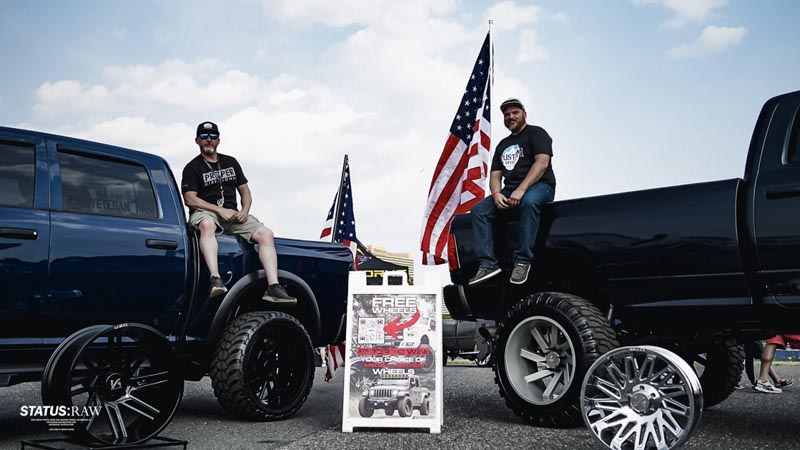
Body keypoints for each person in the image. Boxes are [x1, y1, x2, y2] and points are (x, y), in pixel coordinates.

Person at [181, 121, 295, 303]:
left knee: (266, 233)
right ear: (197, 141)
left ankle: (274, 287)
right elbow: (190, 199)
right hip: (207, 213)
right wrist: (219, 210)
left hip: (233, 216)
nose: (208, 139)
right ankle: (215, 279)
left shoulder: (231, 162)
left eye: (212, 136)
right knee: (207, 225)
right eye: (204, 136)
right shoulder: (192, 167)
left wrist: (244, 210)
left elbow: (245, 191)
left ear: (218, 140)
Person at [468, 98, 556, 285]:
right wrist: (496, 194)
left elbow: (542, 163)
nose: (510, 117)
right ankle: (488, 264)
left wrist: (521, 189)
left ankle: (523, 260)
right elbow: (495, 175)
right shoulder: (503, 144)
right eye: (506, 115)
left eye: (515, 112)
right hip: (509, 190)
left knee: (529, 201)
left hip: (540, 186)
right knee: (478, 210)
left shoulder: (537, 133)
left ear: (524, 114)